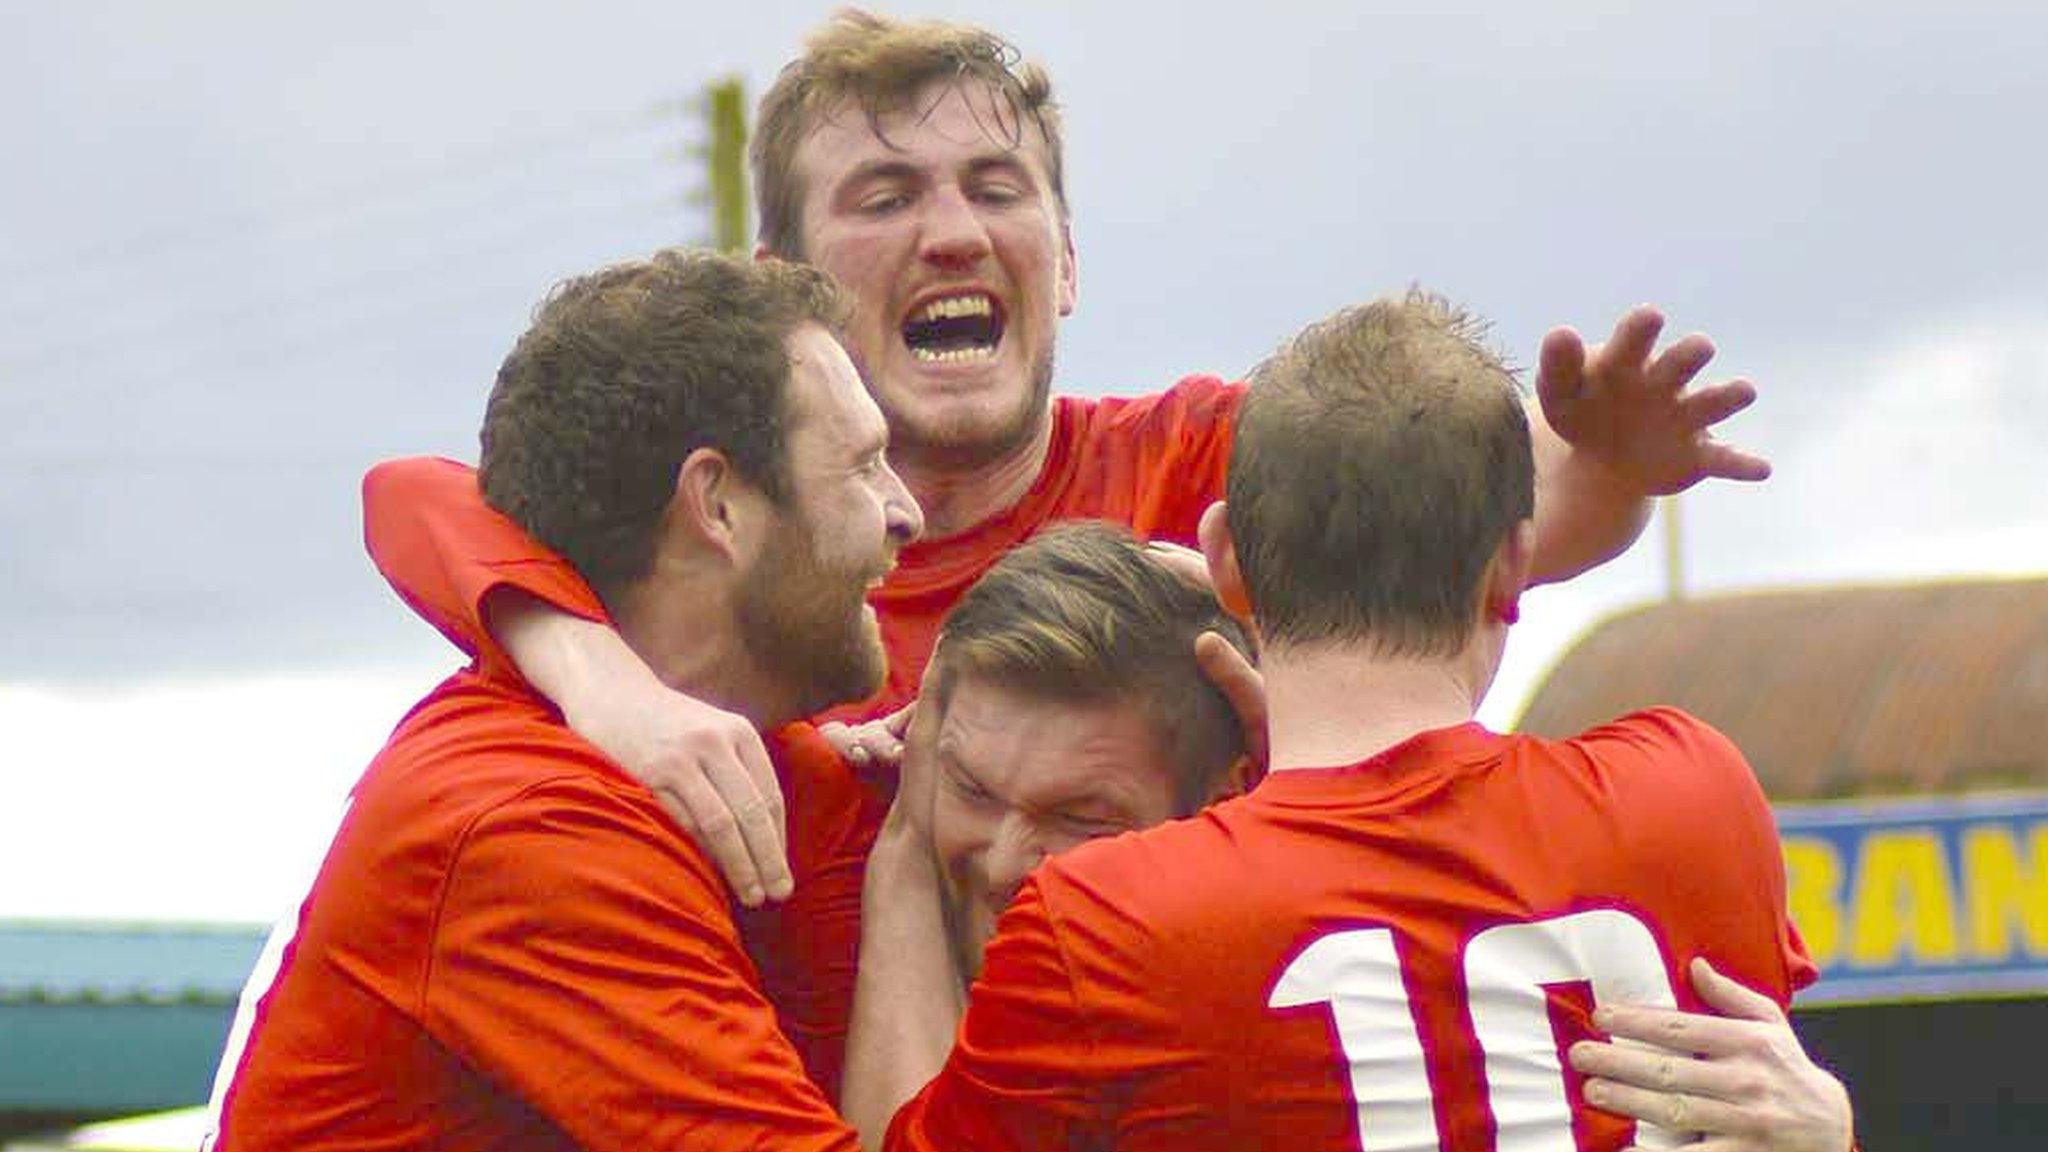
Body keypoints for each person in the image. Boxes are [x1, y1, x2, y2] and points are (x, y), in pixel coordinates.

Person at [359, 8, 1772, 907]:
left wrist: (1609, 462)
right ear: (782, 276)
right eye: (886, 195)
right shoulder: (728, 536)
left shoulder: (1202, 459)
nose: (955, 234)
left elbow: (1473, 518)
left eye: (997, 189)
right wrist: (589, 663)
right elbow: (419, 497)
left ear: (1071, 259)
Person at [844, 291, 1842, 1152]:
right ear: (1508, 562)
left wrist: (900, 856)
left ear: (1226, 558)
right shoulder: (1690, 790)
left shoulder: (1105, 920)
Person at [202, 250, 918, 1149]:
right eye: (864, 466)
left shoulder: (753, 757)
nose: (906, 511)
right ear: (718, 505)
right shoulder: (535, 823)